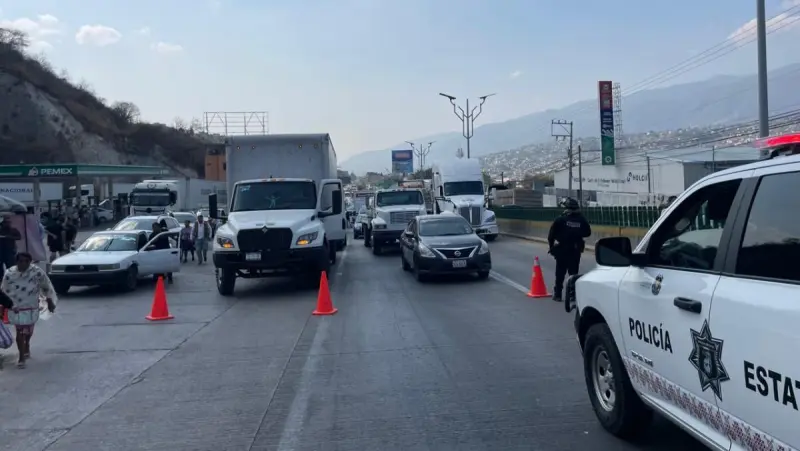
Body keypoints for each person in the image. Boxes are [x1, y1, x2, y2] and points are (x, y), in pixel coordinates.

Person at [1, 252, 56, 369]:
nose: (23, 264)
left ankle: (27, 344)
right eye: (21, 261)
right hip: (15, 306)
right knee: (20, 331)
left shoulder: (36, 272)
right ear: (17, 262)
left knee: (28, 331)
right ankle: (21, 357)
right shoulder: (9, 273)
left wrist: (49, 301)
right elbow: (3, 290)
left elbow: (45, 286)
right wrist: (5, 305)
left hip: (31, 305)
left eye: (26, 261)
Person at [547, 198, 591, 302]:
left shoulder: (560, 219)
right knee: (573, 273)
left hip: (562, 249)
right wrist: (577, 233)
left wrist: (551, 247)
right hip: (575, 250)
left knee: (560, 273)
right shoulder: (581, 219)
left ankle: (558, 294)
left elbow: (551, 235)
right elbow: (588, 232)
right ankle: (572, 295)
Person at [0, 213, 21, 280]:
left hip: (10, 251)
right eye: (5, 222)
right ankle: (1, 278)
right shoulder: (0, 230)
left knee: (11, 265)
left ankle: (12, 277)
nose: (7, 224)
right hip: (1, 251)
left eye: (8, 222)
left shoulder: (13, 230)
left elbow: (19, 237)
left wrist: (8, 237)